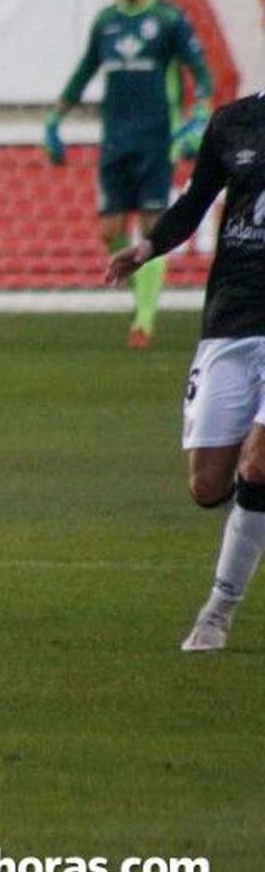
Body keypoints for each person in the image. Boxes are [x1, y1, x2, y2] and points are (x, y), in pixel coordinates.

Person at [105, 88, 265, 652]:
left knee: (260, 461)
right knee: (208, 485)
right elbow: (197, 200)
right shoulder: (235, 123)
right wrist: (147, 247)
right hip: (232, 318)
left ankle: (217, 613)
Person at [45, 0, 213, 350]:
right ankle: (141, 292)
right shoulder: (106, 23)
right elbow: (85, 70)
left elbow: (201, 73)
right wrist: (55, 118)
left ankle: (144, 318)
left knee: (153, 227)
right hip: (115, 139)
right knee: (110, 230)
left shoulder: (168, 19)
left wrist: (198, 118)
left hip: (157, 139)